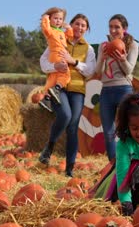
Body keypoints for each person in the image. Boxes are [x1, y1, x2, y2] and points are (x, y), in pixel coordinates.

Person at [37, 13, 96, 177]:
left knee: (72, 127)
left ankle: (69, 169)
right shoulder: (59, 38)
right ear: (71, 25)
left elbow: (90, 71)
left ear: (87, 29)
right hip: (59, 87)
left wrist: (73, 61)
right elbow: (43, 63)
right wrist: (55, 66)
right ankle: (49, 147)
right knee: (65, 115)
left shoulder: (88, 49)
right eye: (77, 24)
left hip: (77, 90)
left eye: (83, 25)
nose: (80, 27)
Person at [95, 14, 139, 162]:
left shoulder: (132, 45)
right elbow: (99, 71)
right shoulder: (103, 46)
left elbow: (128, 71)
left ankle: (129, 161)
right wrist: (102, 57)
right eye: (111, 27)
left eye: (117, 27)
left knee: (125, 129)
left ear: (124, 29)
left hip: (124, 90)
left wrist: (122, 59)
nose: (113, 30)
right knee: (108, 132)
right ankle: (113, 164)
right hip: (106, 90)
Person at [38, 7, 74, 112]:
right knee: (66, 74)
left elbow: (69, 37)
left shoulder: (60, 32)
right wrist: (45, 19)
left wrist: (68, 29)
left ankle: (46, 98)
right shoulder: (51, 31)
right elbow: (45, 28)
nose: (58, 21)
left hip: (58, 54)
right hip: (57, 54)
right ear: (50, 19)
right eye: (55, 18)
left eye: (60, 19)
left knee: (53, 78)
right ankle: (57, 89)